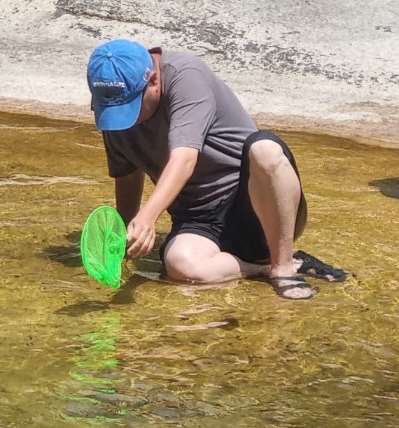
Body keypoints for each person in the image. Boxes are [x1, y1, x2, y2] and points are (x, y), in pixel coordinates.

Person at [85, 39, 346, 300]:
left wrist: (148, 217)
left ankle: (284, 265)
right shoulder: (114, 112)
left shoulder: (186, 76)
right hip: (198, 217)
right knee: (180, 265)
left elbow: (184, 158)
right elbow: (128, 173)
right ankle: (268, 268)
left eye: (130, 107)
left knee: (264, 149)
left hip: (257, 205)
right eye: (115, 110)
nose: (124, 119)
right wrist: (123, 237)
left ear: (153, 80)